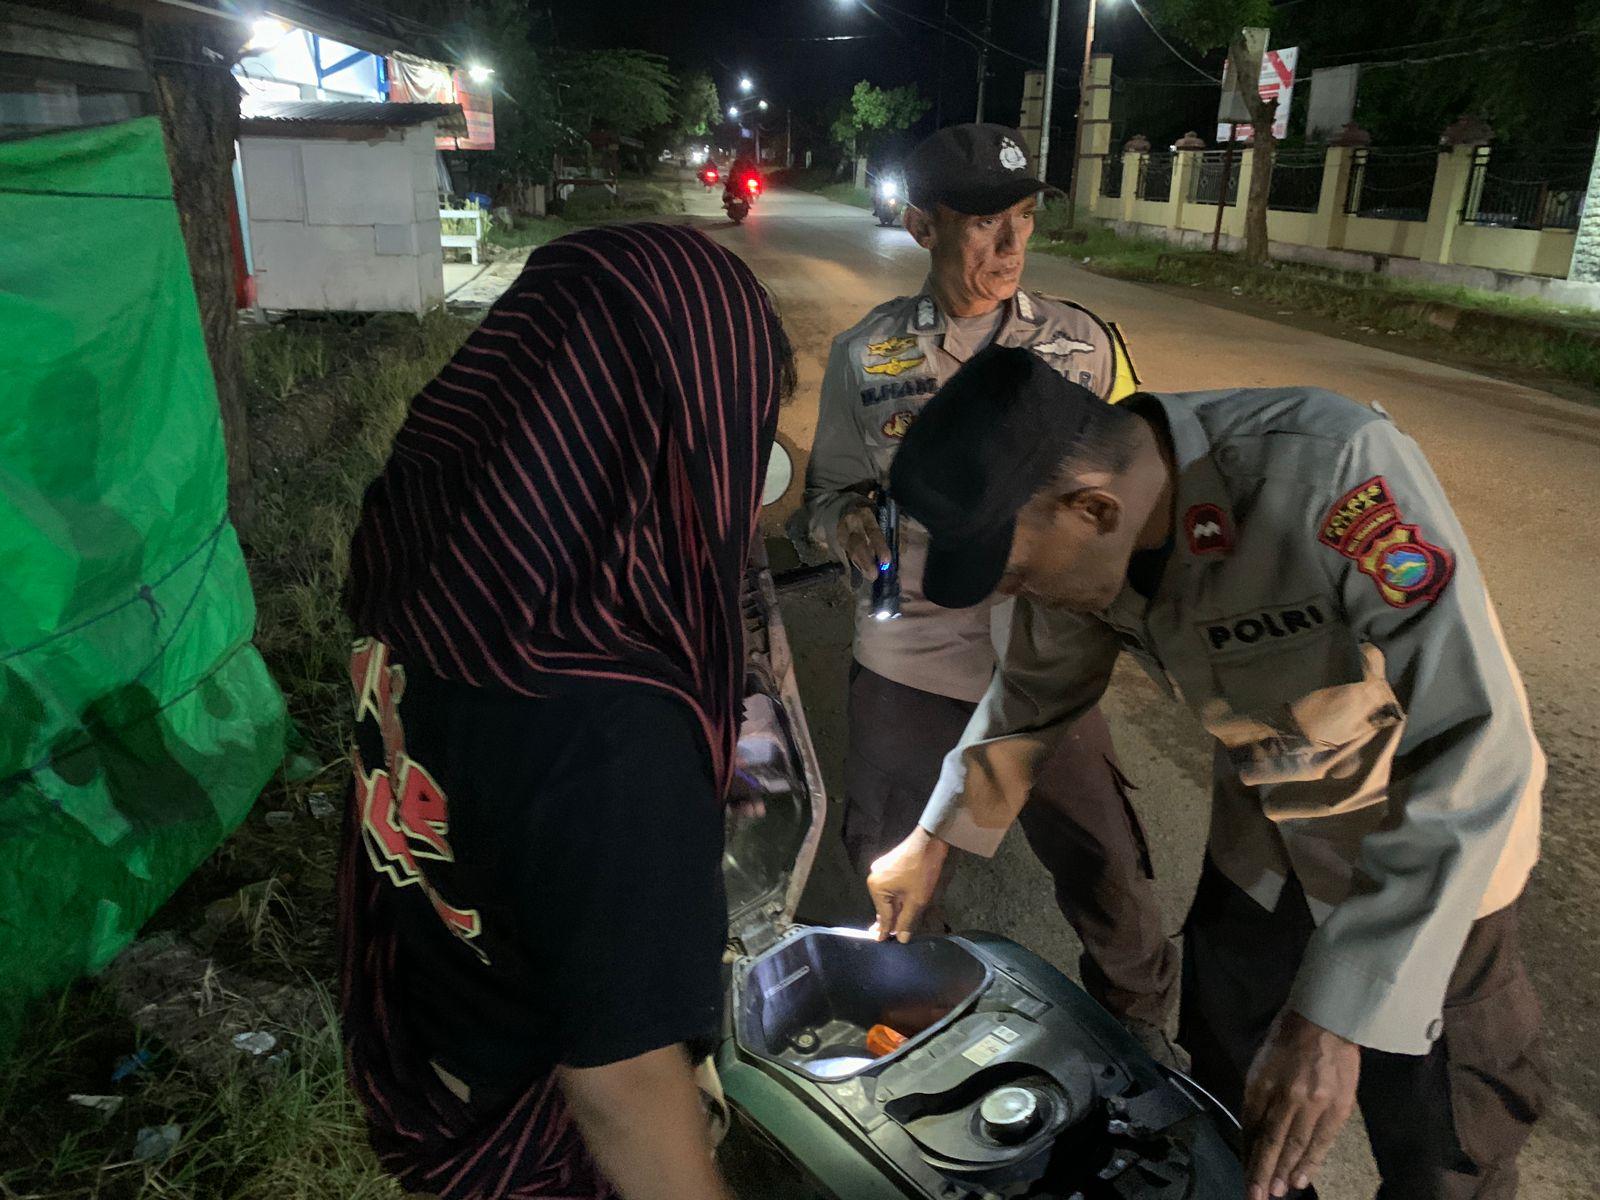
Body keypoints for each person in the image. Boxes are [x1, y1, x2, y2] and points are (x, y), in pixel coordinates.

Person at [869, 346, 1547, 1200]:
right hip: (1265, 846)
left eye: (1019, 575)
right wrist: (932, 838)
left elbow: (1479, 742)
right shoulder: (1083, 543)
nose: (1017, 598)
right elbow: (1032, 696)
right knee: (1230, 1103)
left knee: (1445, 1150)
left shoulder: (1330, 473)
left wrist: (1337, 1017)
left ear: (1094, 508)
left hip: (1424, 860)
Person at [336, 223, 795, 1200]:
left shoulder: (431, 571)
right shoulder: (610, 722)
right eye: (737, 432)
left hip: (439, 1044)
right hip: (535, 1127)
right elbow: (623, 1092)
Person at [802, 122, 1179, 1059]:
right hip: (911, 653)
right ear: (921, 225)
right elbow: (824, 497)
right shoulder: (864, 355)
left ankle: (1144, 1041)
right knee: (894, 867)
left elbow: (1138, 488)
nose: (1010, 246)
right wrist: (846, 526)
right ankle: (919, 1043)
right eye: (982, 223)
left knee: (1108, 865)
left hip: (1045, 655)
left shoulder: (1087, 344)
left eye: (1023, 218)